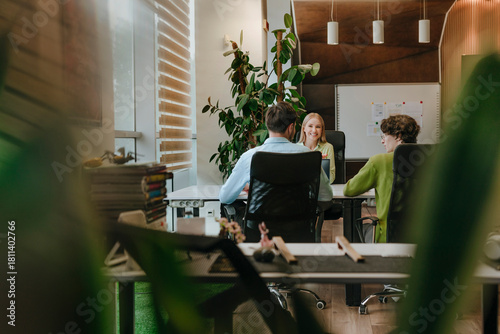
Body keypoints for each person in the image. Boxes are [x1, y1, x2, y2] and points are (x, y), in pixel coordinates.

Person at [219, 101, 334, 236]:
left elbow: (225, 197)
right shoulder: (309, 156)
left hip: (259, 231)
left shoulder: (250, 157)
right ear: (291, 127)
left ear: (268, 126)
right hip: (298, 228)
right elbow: (326, 197)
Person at [343, 114, 420, 243]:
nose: (382, 141)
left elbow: (349, 190)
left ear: (398, 136)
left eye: (384, 136)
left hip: (388, 235)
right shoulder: (425, 158)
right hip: (420, 235)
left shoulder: (379, 161)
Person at [296, 112, 335, 183]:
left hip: (321, 189)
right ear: (304, 129)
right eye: (310, 126)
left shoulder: (328, 147)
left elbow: (331, 179)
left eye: (318, 127)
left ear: (322, 130)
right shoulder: (296, 148)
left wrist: (321, 164)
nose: (314, 130)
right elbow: (295, 178)